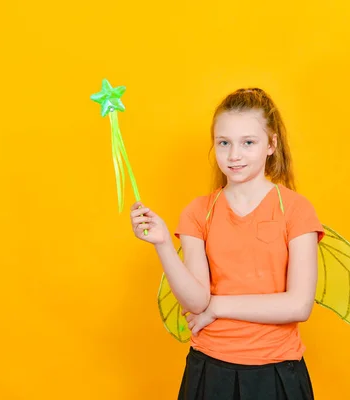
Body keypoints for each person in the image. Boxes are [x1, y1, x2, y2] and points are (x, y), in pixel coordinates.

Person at [130, 88, 324, 399]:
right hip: (210, 371)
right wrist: (164, 243)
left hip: (276, 372)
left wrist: (217, 307)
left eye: (248, 142)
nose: (234, 155)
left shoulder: (296, 210)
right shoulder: (197, 212)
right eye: (224, 143)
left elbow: (298, 305)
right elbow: (195, 303)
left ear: (271, 144)